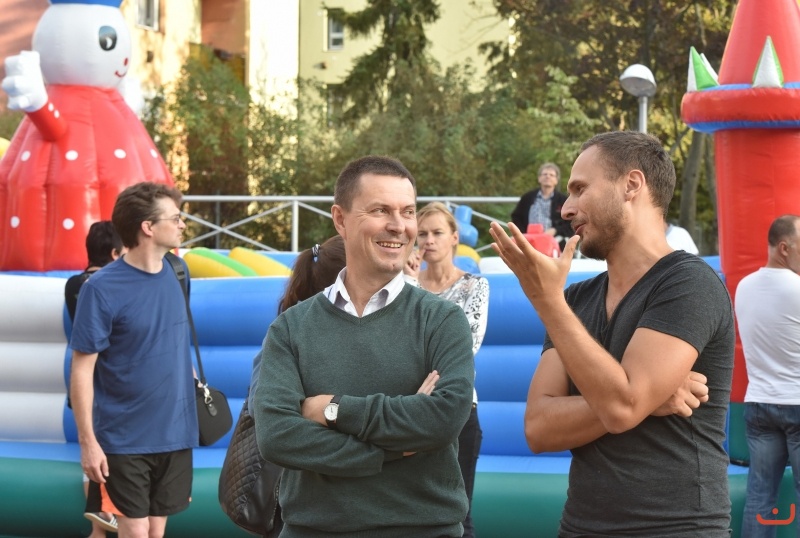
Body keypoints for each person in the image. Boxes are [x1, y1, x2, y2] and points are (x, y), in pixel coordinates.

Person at [490, 131, 734, 536]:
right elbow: (538, 427)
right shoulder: (575, 299)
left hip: (677, 528)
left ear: (631, 185)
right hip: (581, 525)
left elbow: (622, 407)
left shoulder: (689, 283)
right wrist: (647, 400)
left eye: (580, 189)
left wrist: (547, 302)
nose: (566, 208)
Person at [253, 155, 475, 537]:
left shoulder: (443, 320)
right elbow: (276, 437)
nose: (399, 226)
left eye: (408, 211)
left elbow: (444, 418)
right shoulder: (290, 328)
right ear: (340, 219)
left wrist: (333, 409)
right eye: (380, 210)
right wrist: (391, 449)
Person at [70, 182, 198, 538]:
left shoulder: (179, 272)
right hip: (123, 437)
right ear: (148, 227)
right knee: (136, 530)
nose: (182, 224)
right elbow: (82, 369)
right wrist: (88, 443)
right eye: (175, 218)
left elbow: (175, 343)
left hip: (175, 432)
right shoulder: (100, 288)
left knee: (156, 531)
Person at [404, 202, 489, 538]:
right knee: (408, 511)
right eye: (423, 233)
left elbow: (465, 346)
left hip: (458, 407)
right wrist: (410, 284)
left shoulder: (475, 285)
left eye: (437, 232)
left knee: (459, 513)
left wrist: (413, 292)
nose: (429, 240)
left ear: (455, 237)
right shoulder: (404, 284)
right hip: (409, 406)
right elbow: (397, 343)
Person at [735, 214, 800, 536]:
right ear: (785, 248)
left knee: (760, 498)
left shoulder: (744, 287)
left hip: (759, 403)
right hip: (796, 401)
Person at [65, 221, 124, 537]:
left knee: (91, 453)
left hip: (83, 382)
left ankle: (99, 525)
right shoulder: (107, 286)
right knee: (109, 456)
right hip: (109, 384)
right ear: (115, 253)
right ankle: (105, 515)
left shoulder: (73, 284)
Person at [511, 163, 573, 250]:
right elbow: (516, 217)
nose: (548, 176)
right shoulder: (527, 198)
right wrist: (523, 233)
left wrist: (555, 230)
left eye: (551, 175)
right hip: (529, 241)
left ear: (556, 180)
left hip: (554, 241)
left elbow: (571, 223)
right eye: (545, 174)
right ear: (539, 178)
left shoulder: (563, 200)